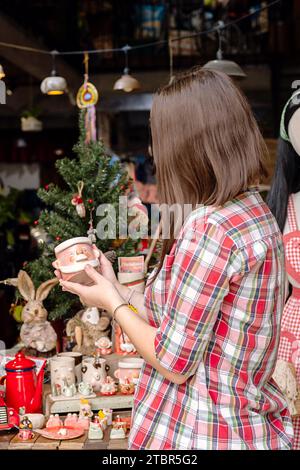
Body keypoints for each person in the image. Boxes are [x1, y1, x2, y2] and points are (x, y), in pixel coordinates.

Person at [56, 68, 293, 450]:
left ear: (188, 144)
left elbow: (173, 362)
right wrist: (114, 286)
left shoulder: (212, 228)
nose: (156, 151)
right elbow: (179, 322)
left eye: (160, 139)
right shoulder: (253, 210)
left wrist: (111, 305)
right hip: (240, 426)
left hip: (205, 431)